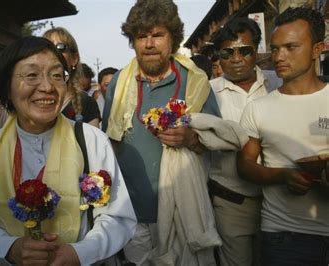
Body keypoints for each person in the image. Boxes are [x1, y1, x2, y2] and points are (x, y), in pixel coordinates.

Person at [0, 36, 136, 265]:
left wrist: (80, 253)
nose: (47, 87)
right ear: (7, 86)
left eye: (55, 75)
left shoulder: (91, 141)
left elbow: (117, 216)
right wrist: (10, 248)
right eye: (31, 75)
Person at [102, 0, 222, 264]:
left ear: (174, 39)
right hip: (132, 212)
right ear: (132, 41)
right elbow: (107, 145)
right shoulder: (119, 85)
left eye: (157, 35)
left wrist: (191, 138)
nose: (149, 44)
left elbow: (216, 142)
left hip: (183, 207)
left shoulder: (195, 81)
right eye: (141, 36)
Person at [237, 7, 329, 266]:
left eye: (291, 47)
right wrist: (283, 175)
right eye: (275, 48)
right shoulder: (258, 108)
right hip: (284, 237)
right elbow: (244, 166)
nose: (279, 56)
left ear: (317, 48)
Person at [208, 17, 282, 266]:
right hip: (231, 203)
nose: (236, 59)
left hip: (283, 201)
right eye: (227, 52)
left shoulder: (280, 84)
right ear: (218, 56)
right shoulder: (206, 93)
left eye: (245, 51)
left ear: (257, 49)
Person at [43, 27, 101, 128]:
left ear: (74, 58)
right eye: (46, 48)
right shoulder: (31, 99)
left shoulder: (87, 103)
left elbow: (91, 143)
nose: (52, 53)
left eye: (60, 47)